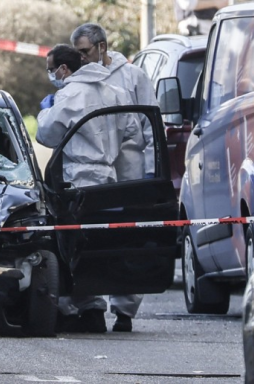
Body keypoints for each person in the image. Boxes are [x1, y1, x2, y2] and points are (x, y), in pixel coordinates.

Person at [36, 44, 139, 333]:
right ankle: (99, 310)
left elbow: (46, 134)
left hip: (77, 181)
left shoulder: (70, 94)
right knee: (101, 247)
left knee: (71, 248)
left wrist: (47, 112)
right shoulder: (114, 91)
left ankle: (74, 310)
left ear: (64, 69)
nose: (51, 75)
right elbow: (133, 129)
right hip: (109, 180)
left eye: (51, 69)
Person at [70, 22, 158, 332]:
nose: (82, 58)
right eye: (77, 53)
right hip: (94, 163)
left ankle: (125, 309)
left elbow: (150, 122)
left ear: (102, 47)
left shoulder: (133, 77)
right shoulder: (77, 79)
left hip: (128, 162)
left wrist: (150, 171)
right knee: (91, 234)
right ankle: (91, 305)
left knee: (127, 233)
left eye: (85, 51)